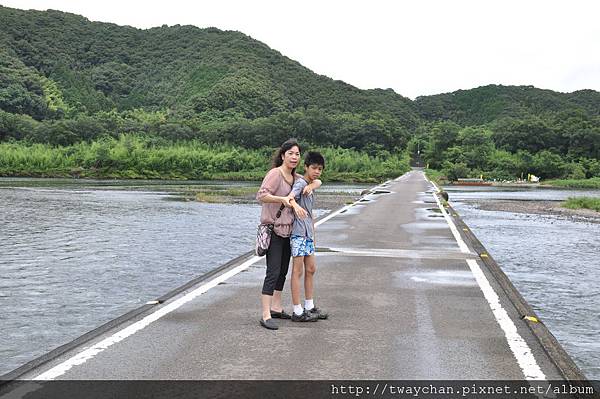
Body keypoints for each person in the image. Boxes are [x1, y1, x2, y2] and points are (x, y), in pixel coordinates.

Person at [256, 139, 320, 330]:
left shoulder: (296, 177)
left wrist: (314, 184)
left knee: (283, 271)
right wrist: (283, 200)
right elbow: (261, 195)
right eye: (290, 153)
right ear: (283, 155)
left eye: (297, 154)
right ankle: (266, 314)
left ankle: (276, 307)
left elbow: (315, 179)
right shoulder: (275, 174)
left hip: (289, 231)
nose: (294, 157)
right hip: (274, 229)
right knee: (273, 271)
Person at [288, 151, 329, 322]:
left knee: (311, 269)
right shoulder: (300, 183)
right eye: (314, 168)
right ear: (305, 167)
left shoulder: (311, 184)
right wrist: (295, 205)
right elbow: (289, 198)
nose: (317, 172)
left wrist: (314, 185)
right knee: (297, 271)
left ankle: (309, 306)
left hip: (308, 234)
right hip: (298, 233)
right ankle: (297, 311)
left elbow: (318, 182)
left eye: (320, 169)